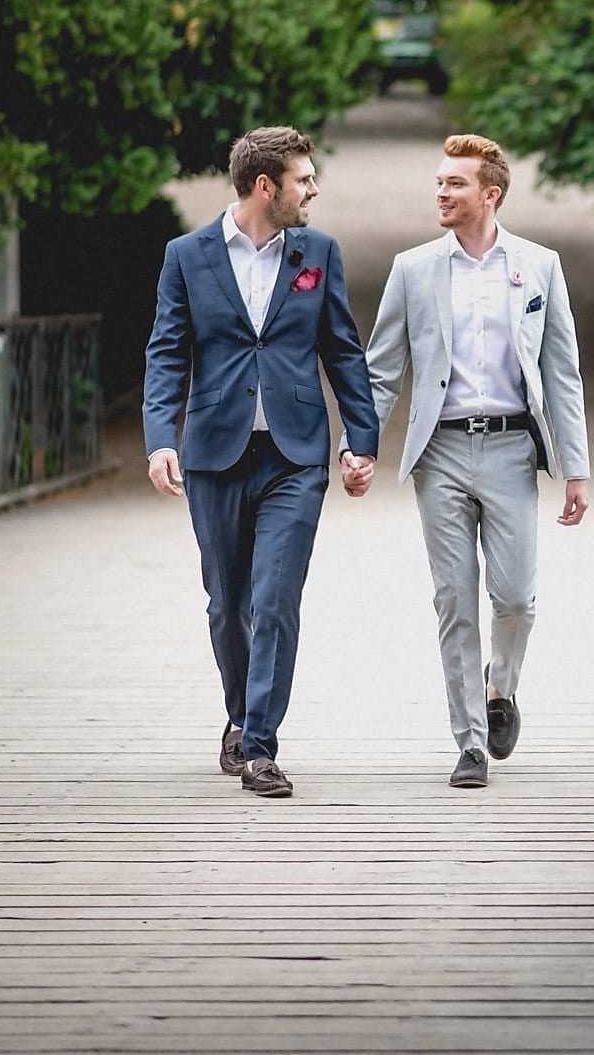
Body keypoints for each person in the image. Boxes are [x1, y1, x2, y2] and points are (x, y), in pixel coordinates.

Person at [143, 125, 380, 798]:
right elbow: (167, 351)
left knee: (274, 598)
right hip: (214, 453)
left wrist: (359, 440)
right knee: (228, 604)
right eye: (305, 179)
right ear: (265, 185)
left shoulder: (318, 252)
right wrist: (162, 435)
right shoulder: (186, 256)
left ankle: (260, 746)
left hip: (295, 454)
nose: (315, 190)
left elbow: (343, 349)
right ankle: (242, 714)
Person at [362, 133, 590, 789]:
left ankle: (501, 687)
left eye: (454, 183)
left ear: (489, 194)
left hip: (515, 447)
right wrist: (361, 443)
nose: (441, 191)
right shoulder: (413, 269)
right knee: (455, 601)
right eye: (438, 182)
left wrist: (576, 465)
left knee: (515, 598)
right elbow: (382, 371)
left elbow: (563, 372)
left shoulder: (539, 266)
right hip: (440, 452)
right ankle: (468, 741)